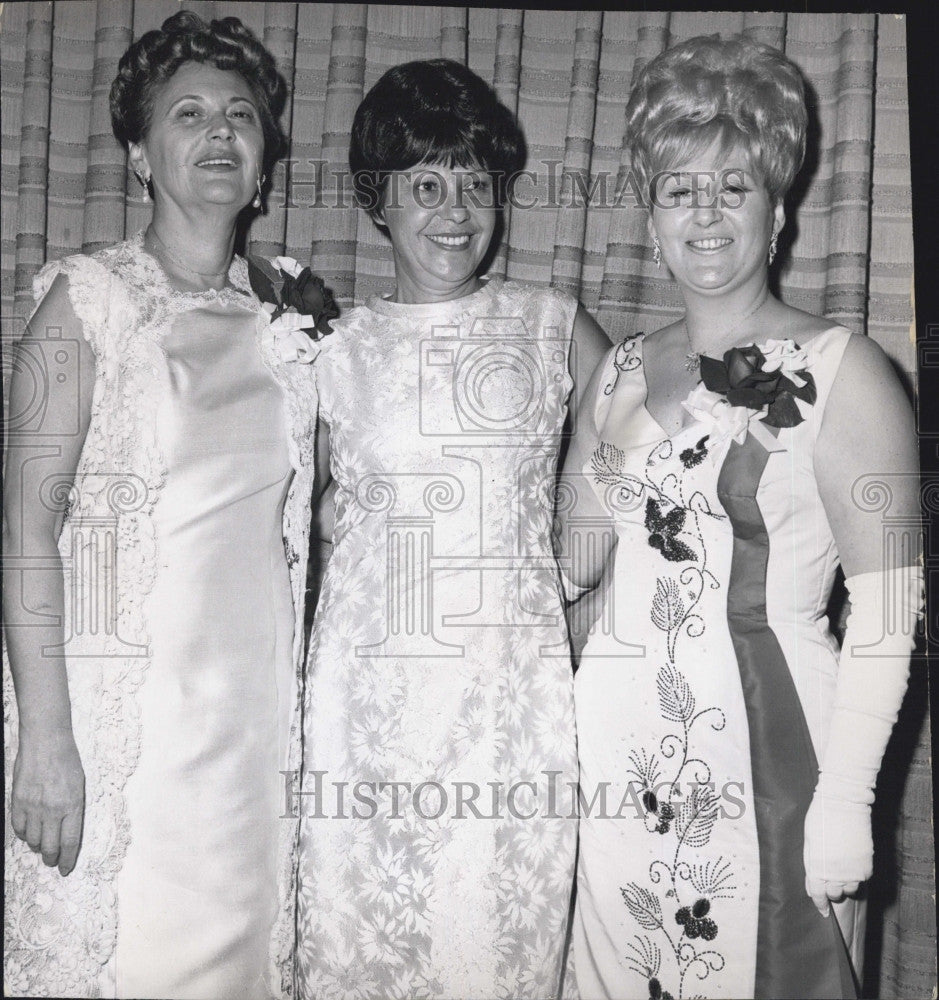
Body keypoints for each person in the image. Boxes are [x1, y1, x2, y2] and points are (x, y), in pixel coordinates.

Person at [557, 35, 922, 1000]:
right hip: (613, 755)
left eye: (733, 187)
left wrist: (845, 802)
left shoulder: (853, 374)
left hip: (769, 753)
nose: (705, 215)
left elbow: (889, 609)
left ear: (777, 209)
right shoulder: (622, 369)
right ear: (649, 215)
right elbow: (572, 561)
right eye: (678, 190)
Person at [2, 12, 323, 997]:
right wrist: (47, 738)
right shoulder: (87, 302)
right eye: (188, 114)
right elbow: (23, 530)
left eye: (241, 115)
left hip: (255, 727)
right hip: (121, 725)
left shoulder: (291, 315)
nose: (221, 133)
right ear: (141, 152)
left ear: (265, 157)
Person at [295, 58, 609, 1000]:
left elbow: (641, 465)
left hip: (508, 704)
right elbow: (295, 516)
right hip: (367, 701)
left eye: (475, 183)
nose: (455, 209)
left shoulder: (551, 325)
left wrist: (578, 587)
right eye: (425, 184)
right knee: (363, 942)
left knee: (496, 941)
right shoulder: (328, 348)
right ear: (377, 201)